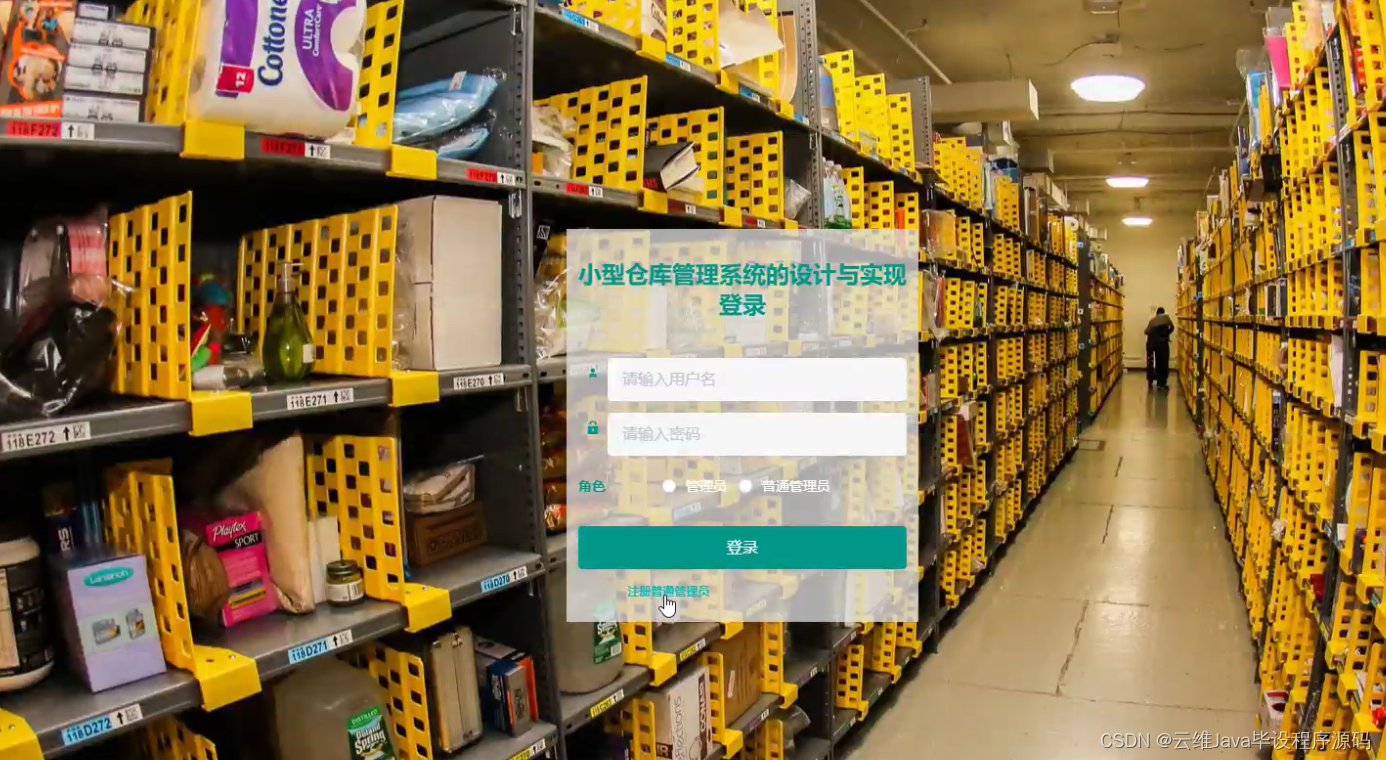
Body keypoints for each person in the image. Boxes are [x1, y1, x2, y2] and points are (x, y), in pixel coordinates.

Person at [1145, 307, 1174, 391]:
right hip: (1163, 344)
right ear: (1163, 313)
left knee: (1155, 362)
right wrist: (1167, 333)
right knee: (1164, 363)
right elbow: (1172, 327)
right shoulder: (1166, 318)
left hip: (1153, 344)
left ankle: (1152, 379)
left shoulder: (1152, 320)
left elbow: (1146, 331)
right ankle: (1161, 383)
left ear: (1157, 313)